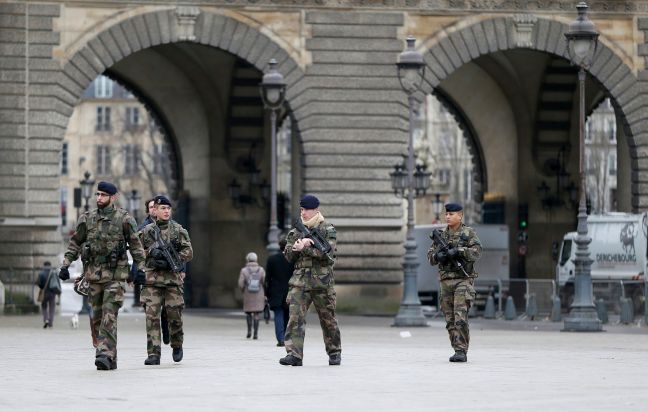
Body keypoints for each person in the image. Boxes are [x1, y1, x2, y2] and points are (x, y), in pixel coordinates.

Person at [59, 181, 146, 370]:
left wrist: (140, 270)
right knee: (96, 317)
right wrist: (66, 265)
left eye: (103, 195)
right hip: (93, 276)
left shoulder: (124, 219)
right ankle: (109, 357)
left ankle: (104, 354)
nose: (99, 198)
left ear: (113, 197)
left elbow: (137, 247)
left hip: (115, 276)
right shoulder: (87, 219)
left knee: (109, 314)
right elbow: (75, 243)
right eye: (97, 195)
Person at [280, 194, 341, 367]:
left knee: (328, 319)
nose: (303, 213)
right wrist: (297, 248)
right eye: (301, 209)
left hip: (322, 282)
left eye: (306, 209)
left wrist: (307, 246)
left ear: (316, 210)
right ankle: (294, 354)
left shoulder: (328, 229)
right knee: (295, 318)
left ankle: (334, 352)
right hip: (300, 282)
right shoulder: (295, 231)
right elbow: (288, 256)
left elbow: (328, 257)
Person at [139, 195, 193, 365]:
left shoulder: (178, 230)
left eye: (168, 208)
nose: (166, 211)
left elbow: (189, 252)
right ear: (155, 211)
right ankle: (153, 353)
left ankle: (177, 344)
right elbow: (136, 250)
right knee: (151, 317)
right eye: (163, 208)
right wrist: (150, 254)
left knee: (174, 315)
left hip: (172, 281)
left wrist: (173, 257)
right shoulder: (147, 231)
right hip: (152, 281)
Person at [427, 203, 482, 363]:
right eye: (447, 214)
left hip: (462, 280)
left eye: (452, 214)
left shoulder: (468, 233)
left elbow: (477, 252)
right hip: (445, 282)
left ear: (460, 215)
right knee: (450, 318)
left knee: (460, 316)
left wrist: (459, 251)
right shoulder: (441, 235)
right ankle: (456, 347)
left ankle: (461, 350)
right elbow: (430, 257)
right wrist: (439, 256)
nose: (448, 216)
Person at [265, 235, 293, 346]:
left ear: (279, 246)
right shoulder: (293, 260)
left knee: (278, 315)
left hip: (276, 291)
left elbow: (268, 278)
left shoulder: (272, 259)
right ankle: (286, 338)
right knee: (288, 315)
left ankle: (280, 339)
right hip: (290, 290)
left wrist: (266, 293)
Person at [131, 198, 156, 307]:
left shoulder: (172, 227)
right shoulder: (142, 229)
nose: (154, 210)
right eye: (151, 207)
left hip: (166, 275)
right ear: (147, 211)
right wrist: (134, 275)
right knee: (150, 310)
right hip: (148, 274)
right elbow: (137, 253)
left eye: (156, 207)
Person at [238, 252, 266, 340]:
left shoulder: (244, 270)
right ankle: (256, 334)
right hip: (259, 293)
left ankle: (249, 331)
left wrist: (243, 290)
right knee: (256, 314)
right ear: (256, 259)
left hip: (248, 293)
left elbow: (241, 283)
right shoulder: (261, 270)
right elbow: (264, 281)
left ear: (248, 259)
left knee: (248, 313)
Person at [36, 261, 59, 328]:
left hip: (44, 292)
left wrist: (41, 288)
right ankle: (51, 322)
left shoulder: (41, 273)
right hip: (52, 293)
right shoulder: (54, 273)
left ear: (44, 265)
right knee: (52, 308)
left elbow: (38, 283)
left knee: (44, 307)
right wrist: (58, 292)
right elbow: (57, 283)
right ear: (50, 265)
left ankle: (46, 320)